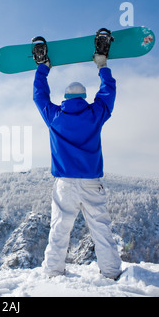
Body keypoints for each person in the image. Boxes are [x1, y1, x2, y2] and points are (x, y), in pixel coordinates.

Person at [33, 53, 122, 280]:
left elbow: (39, 96)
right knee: (100, 228)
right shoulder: (95, 114)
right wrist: (102, 66)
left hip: (64, 184)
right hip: (92, 182)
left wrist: (43, 69)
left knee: (59, 229)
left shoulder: (55, 116)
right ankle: (111, 272)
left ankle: (53, 271)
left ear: (65, 98)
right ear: (84, 97)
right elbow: (108, 92)